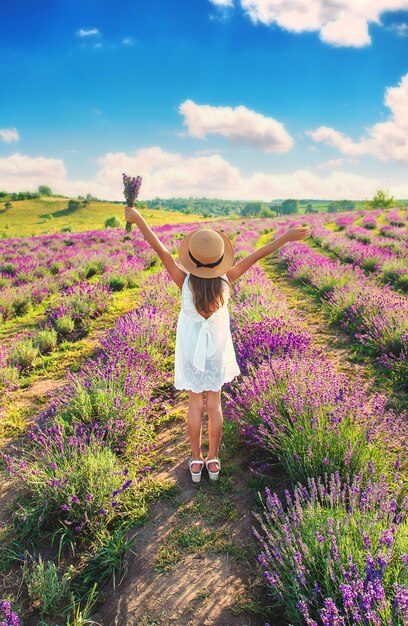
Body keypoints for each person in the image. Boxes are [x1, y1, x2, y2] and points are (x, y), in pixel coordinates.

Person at [124, 206, 310, 483]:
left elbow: (159, 248)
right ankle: (213, 460)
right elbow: (259, 254)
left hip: (190, 349)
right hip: (217, 350)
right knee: (214, 404)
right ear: (219, 260)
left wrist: (139, 220)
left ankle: (196, 460)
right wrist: (287, 236)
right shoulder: (227, 280)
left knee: (194, 405)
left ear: (192, 260)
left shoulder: (183, 281)